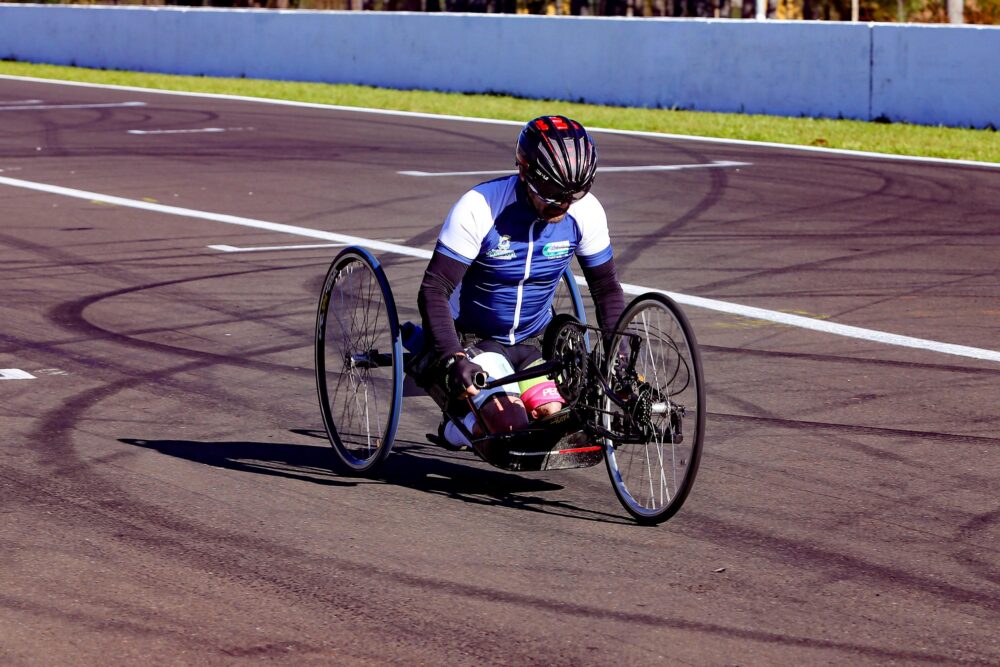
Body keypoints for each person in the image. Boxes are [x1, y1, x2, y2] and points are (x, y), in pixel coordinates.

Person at [416, 115, 626, 447]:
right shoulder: (480, 207)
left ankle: (504, 403)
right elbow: (434, 289)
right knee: (510, 427)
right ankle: (456, 427)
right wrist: (454, 357)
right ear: (524, 172)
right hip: (475, 339)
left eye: (574, 193)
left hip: (535, 341)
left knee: (556, 415)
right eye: (553, 192)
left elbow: (605, 288)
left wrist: (620, 355)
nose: (562, 203)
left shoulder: (585, 211)